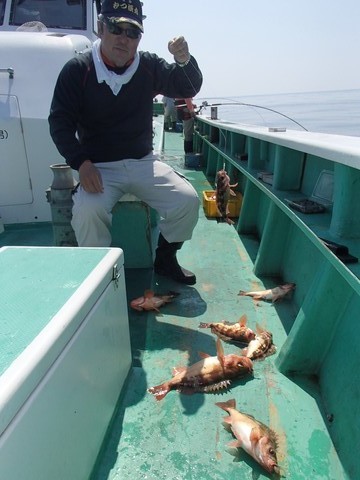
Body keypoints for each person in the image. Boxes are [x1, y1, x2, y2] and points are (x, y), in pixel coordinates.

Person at [48, 0, 203, 285]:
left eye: (132, 32)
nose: (123, 38)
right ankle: (100, 276)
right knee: (87, 211)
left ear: (139, 38)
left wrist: (184, 60)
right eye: (115, 28)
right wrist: (81, 163)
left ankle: (166, 259)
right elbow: (59, 123)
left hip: (143, 163)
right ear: (100, 28)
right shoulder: (77, 70)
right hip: (99, 168)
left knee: (187, 201)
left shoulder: (149, 67)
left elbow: (187, 87)